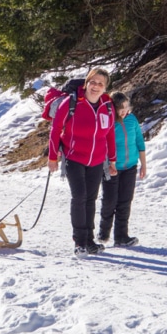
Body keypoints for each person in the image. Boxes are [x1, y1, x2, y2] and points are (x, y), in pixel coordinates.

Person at [48, 68, 117, 258]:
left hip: (96, 160)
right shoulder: (71, 103)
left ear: (105, 88)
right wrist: (52, 157)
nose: (96, 86)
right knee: (79, 197)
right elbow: (55, 131)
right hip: (74, 157)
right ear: (86, 83)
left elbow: (110, 134)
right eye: (93, 82)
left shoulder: (107, 106)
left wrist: (112, 160)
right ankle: (79, 242)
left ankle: (89, 240)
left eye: (100, 84)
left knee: (90, 199)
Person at [98, 91, 146, 247]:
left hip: (130, 167)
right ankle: (103, 232)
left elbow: (139, 141)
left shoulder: (132, 119)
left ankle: (121, 237)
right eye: (121, 108)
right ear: (114, 108)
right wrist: (107, 164)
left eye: (126, 106)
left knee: (125, 202)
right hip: (111, 168)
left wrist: (143, 164)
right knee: (110, 201)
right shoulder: (109, 122)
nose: (125, 110)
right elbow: (102, 144)